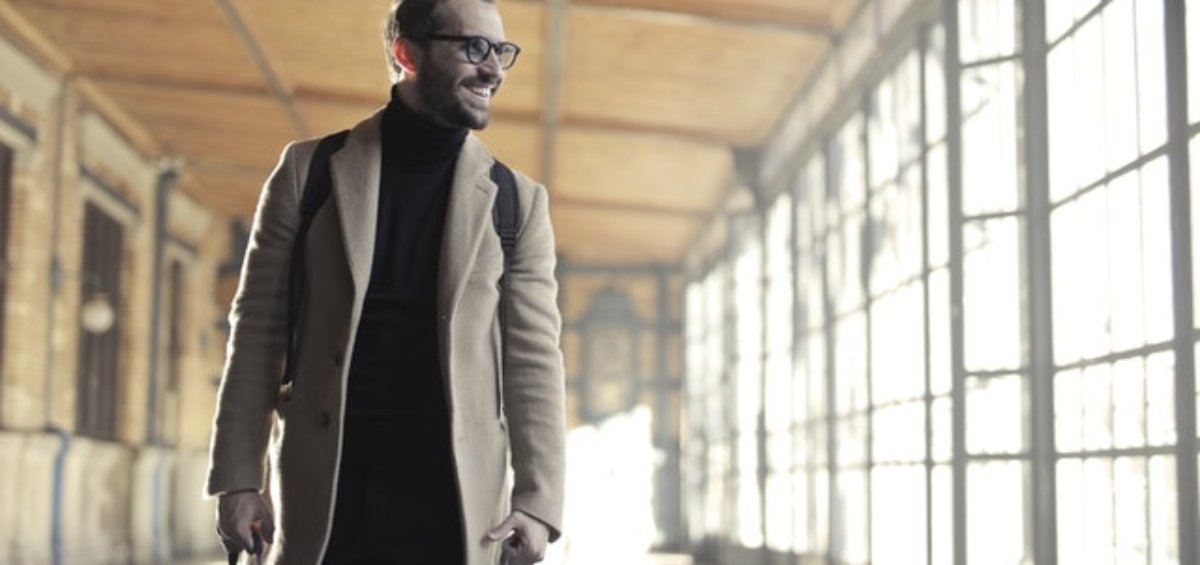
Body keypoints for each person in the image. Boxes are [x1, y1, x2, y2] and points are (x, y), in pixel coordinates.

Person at [204, 0, 566, 562]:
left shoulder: (518, 203)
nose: (493, 69)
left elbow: (534, 359)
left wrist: (539, 501)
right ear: (407, 53)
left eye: (500, 52)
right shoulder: (308, 173)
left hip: (456, 503)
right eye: (474, 48)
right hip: (329, 492)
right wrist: (238, 478)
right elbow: (256, 331)